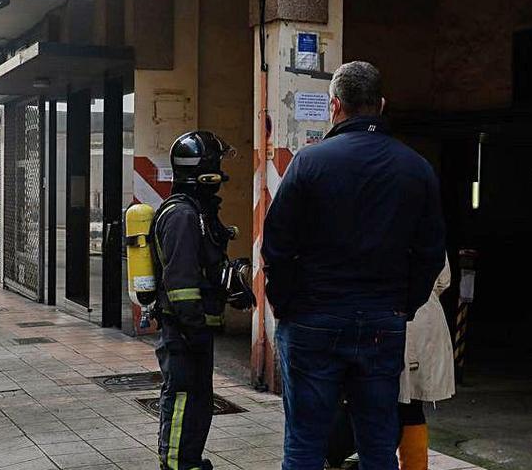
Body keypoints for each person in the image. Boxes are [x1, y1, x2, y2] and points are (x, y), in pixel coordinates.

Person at [262, 61, 446, 470]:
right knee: (379, 444)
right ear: (381, 105)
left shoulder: (309, 164)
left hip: (312, 318)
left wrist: (287, 305)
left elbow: (276, 247)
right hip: (383, 322)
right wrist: (404, 305)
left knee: (305, 443)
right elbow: (431, 253)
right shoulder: (416, 169)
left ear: (334, 106)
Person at [152, 131, 251, 470]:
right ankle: (178, 464)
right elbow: (180, 284)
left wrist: (232, 287)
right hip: (183, 330)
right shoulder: (181, 216)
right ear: (203, 170)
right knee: (182, 399)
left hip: (194, 328)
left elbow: (206, 266)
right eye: (217, 165)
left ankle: (189, 459)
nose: (222, 174)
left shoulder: (198, 212)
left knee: (197, 401)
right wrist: (194, 328)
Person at [326, 257, 455, 470]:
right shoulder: (428, 225)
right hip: (423, 316)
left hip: (384, 315)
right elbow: (443, 279)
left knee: (370, 400)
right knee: (411, 406)